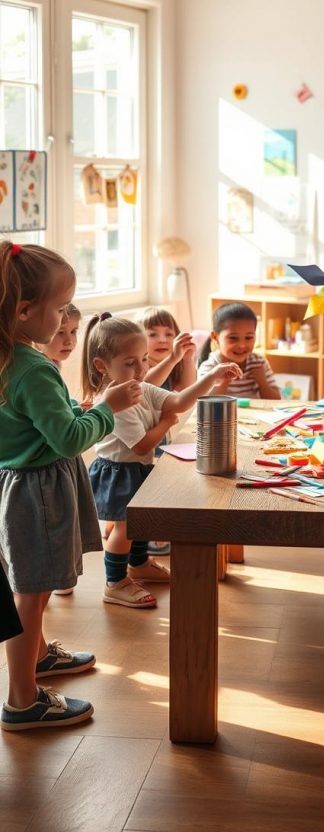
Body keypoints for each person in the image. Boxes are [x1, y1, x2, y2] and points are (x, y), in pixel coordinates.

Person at [0, 242, 139, 732]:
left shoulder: (8, 360)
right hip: (39, 490)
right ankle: (22, 700)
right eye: (60, 310)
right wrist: (107, 408)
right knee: (32, 592)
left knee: (29, 584)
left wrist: (82, 411)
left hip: (16, 483)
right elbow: (66, 438)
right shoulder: (34, 368)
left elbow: (31, 425)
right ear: (23, 310)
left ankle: (38, 657)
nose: (63, 321)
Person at [83, 314, 241, 608]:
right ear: (102, 366)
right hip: (118, 472)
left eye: (143, 359)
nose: (142, 368)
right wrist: (166, 423)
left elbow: (179, 401)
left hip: (136, 467)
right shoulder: (114, 401)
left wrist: (212, 376)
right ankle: (114, 582)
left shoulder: (140, 387)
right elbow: (143, 442)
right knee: (126, 528)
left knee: (141, 522)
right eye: (130, 362)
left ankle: (139, 564)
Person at [139, 306, 198, 555]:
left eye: (168, 333)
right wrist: (173, 358)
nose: (163, 339)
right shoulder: (140, 365)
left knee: (158, 482)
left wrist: (186, 358)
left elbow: (188, 386)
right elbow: (146, 384)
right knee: (142, 485)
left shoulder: (169, 363)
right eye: (153, 334)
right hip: (139, 435)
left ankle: (156, 529)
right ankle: (147, 533)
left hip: (160, 434)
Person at [36, 302, 82, 594]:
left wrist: (74, 408)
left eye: (74, 331)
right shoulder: (39, 371)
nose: (68, 339)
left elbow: (52, 412)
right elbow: (64, 437)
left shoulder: (50, 366)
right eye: (60, 331)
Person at [198, 302, 280, 400]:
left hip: (255, 415)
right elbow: (207, 403)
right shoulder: (210, 368)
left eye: (248, 337)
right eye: (233, 338)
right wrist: (225, 381)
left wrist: (262, 382)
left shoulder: (259, 363)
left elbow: (276, 400)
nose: (242, 345)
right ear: (215, 337)